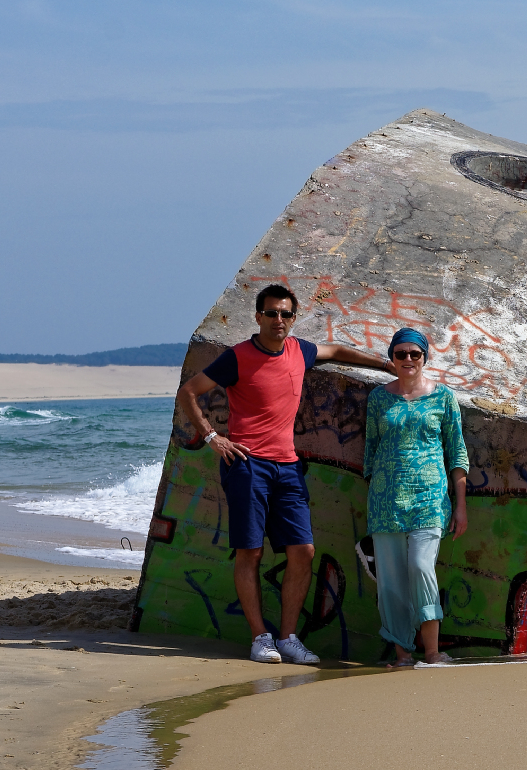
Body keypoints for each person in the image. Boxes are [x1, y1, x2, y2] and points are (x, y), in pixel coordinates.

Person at [176, 283, 393, 664]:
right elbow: (189, 391)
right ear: (258, 317)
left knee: (303, 551)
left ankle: (289, 638)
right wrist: (212, 437)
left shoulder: (299, 350)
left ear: (293, 318)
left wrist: (385, 365)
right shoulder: (238, 357)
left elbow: (336, 351)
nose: (279, 320)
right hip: (248, 466)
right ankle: (260, 638)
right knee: (251, 552)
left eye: (286, 314)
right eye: (272, 313)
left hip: (288, 467)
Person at [364, 328, 469, 666]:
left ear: (425, 357)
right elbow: (371, 451)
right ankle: (402, 654)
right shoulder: (378, 398)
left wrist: (461, 505)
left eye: (415, 354)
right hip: (386, 503)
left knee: (422, 568)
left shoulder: (444, 397)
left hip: (430, 500)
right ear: (392, 358)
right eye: (401, 354)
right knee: (391, 581)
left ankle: (433, 652)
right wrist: (375, 493)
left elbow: (457, 452)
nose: (408, 359)